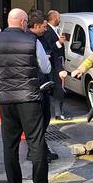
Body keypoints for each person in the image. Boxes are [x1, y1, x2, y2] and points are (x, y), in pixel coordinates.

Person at [0, 8, 53, 183]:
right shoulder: (33, 40)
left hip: (6, 100)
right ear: (24, 22)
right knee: (36, 143)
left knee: (10, 145)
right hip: (30, 99)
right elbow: (45, 67)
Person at [27, 11, 66, 163]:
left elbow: (54, 53)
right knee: (36, 120)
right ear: (35, 26)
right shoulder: (28, 39)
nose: (45, 29)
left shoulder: (43, 37)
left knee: (45, 117)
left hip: (45, 81)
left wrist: (60, 69)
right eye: (43, 26)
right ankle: (35, 151)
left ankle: (40, 148)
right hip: (33, 84)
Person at [45, 10, 70, 120]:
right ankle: (58, 113)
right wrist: (58, 43)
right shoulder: (48, 31)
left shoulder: (55, 30)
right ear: (54, 18)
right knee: (58, 88)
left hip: (59, 62)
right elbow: (49, 48)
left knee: (59, 87)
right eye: (59, 18)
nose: (60, 20)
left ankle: (59, 111)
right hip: (54, 65)